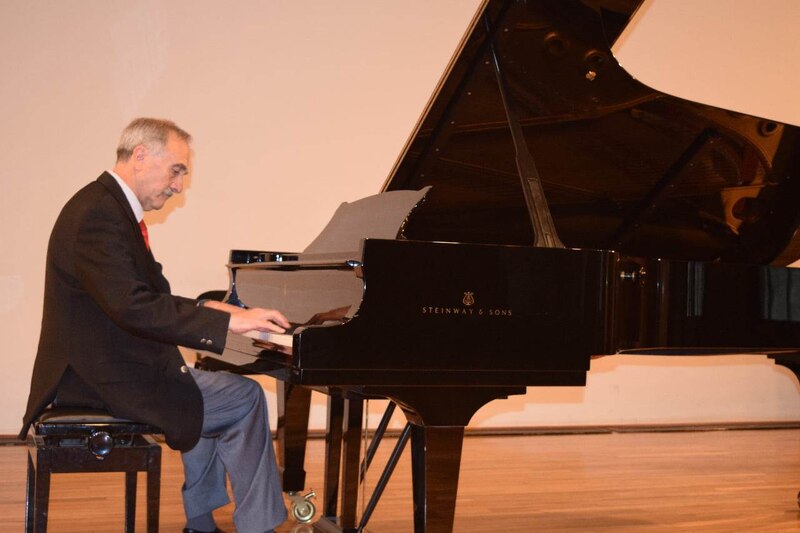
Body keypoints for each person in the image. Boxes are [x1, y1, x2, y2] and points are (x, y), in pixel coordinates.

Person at [19, 118, 289, 533]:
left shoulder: (105, 208)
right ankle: (259, 526)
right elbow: (133, 306)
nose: (179, 185)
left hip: (102, 367)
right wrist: (226, 323)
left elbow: (145, 297)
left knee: (200, 389)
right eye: (177, 170)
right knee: (245, 398)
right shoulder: (99, 216)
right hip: (97, 378)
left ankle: (201, 524)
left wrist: (215, 309)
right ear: (141, 156)